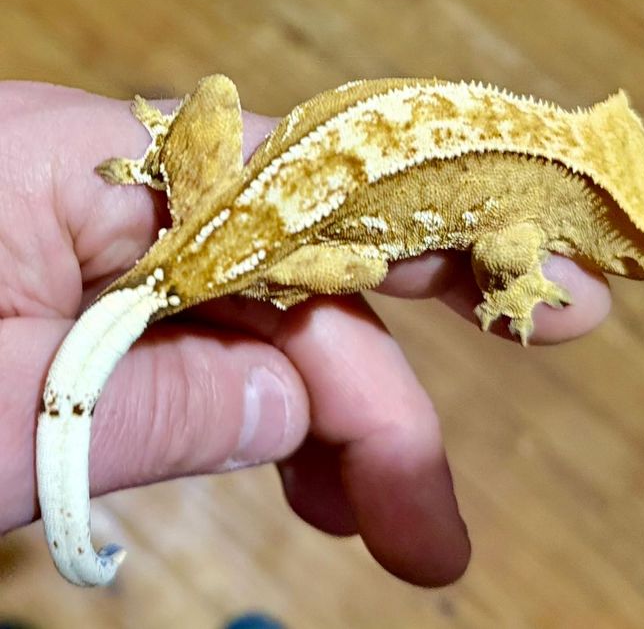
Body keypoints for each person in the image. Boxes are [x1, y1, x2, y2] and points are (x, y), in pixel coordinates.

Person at [0, 80, 611, 587]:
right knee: (369, 265)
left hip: (231, 198)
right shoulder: (530, 200)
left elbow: (213, 97)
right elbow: (392, 265)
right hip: (261, 241)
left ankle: (175, 171)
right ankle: (254, 271)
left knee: (215, 93)